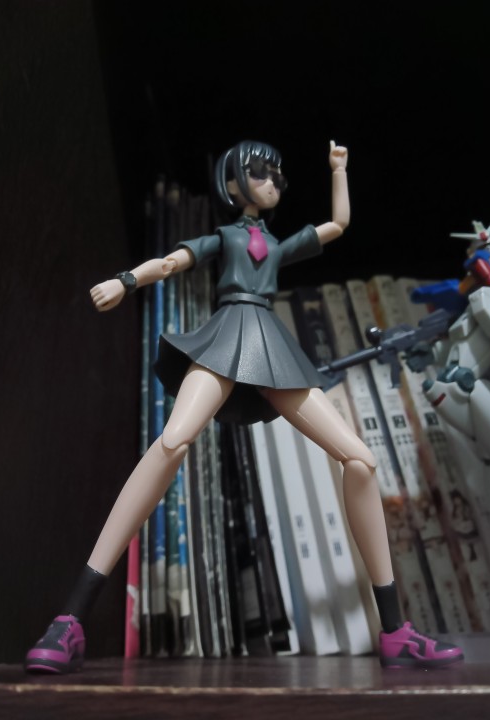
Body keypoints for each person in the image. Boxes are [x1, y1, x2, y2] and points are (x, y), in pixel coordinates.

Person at [24, 139, 464, 673]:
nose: (273, 181)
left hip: (270, 344)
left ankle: (395, 630)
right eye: (261, 172)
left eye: (278, 175)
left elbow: (338, 224)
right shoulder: (226, 236)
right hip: (226, 336)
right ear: (233, 183)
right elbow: (173, 261)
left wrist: (339, 170)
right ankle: (71, 619)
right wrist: (126, 280)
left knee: (361, 460)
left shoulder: (276, 245)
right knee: (172, 442)